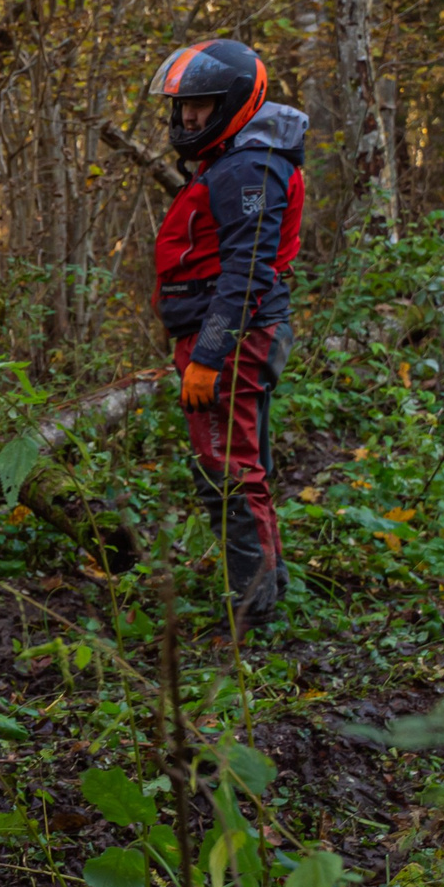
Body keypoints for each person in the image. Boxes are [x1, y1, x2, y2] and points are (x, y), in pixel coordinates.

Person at [150, 38, 304, 632]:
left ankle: (251, 613)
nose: (189, 118)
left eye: (202, 106)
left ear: (236, 103)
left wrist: (210, 356)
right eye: (184, 106)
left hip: (233, 339)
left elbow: (247, 271)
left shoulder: (248, 168)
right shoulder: (234, 159)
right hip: (229, 333)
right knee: (242, 466)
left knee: (227, 473)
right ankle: (266, 589)